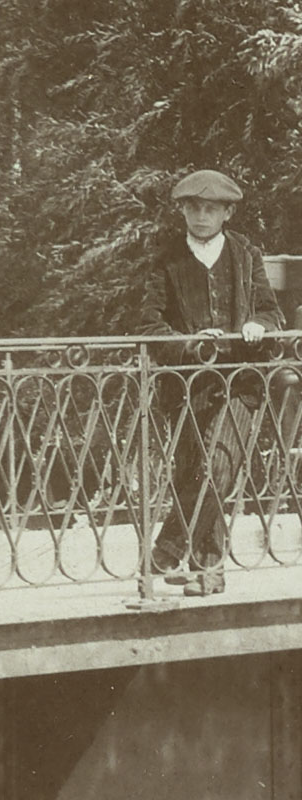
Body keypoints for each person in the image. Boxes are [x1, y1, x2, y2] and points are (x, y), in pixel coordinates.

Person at [137, 169, 283, 596]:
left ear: (227, 212)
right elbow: (148, 325)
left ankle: (165, 549)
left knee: (219, 464)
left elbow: (271, 311)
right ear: (182, 210)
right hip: (186, 385)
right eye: (194, 207)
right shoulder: (166, 258)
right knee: (192, 471)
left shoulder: (245, 253)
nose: (201, 216)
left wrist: (258, 323)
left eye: (211, 208)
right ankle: (209, 569)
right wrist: (188, 343)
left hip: (240, 381)